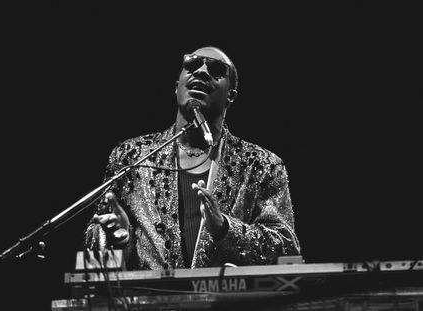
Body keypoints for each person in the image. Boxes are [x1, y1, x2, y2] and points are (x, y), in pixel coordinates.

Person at [84, 46, 301, 270]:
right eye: (192, 64)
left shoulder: (261, 164)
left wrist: (225, 229)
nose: (202, 71)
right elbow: (94, 253)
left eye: (216, 69)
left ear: (231, 97)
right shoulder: (132, 156)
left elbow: (286, 249)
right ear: (177, 86)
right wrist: (117, 239)